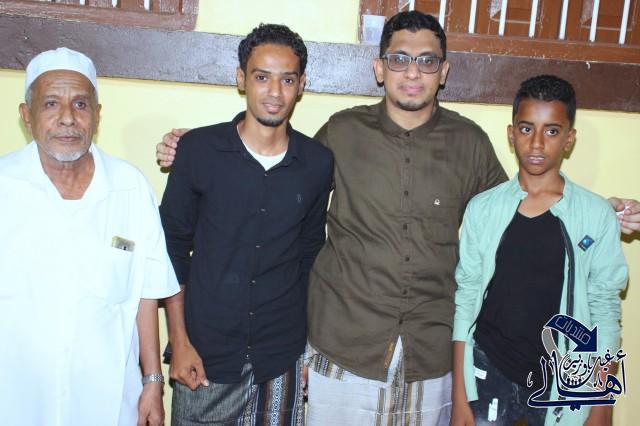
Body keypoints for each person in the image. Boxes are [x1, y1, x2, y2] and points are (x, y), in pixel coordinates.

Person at [155, 12, 639, 425]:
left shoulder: (469, 143)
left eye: (426, 61)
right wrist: (195, 148)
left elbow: (516, 204)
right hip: (343, 350)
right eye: (399, 59)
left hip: (432, 357)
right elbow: (279, 169)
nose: (412, 72)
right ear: (379, 68)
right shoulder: (341, 133)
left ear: (443, 71)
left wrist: (596, 211)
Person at [159, 24, 333, 425]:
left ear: (301, 85)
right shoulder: (199, 151)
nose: (275, 92)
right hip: (205, 356)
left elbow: (311, 256)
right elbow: (171, 250)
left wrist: (309, 350)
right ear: (241, 79)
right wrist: (179, 342)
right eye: (262, 77)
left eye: (287, 79)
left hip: (282, 357)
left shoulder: (316, 162)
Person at [0, 47, 179, 426]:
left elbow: (146, 293)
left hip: (109, 400)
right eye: (51, 104)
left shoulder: (130, 188)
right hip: (15, 399)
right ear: (26, 116)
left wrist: (152, 382)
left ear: (97, 115)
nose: (68, 118)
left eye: (80, 104)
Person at [451, 75, 628, 426]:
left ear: (569, 139)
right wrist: (460, 396)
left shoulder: (595, 215)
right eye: (526, 128)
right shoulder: (483, 209)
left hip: (563, 378)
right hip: (489, 369)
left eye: (551, 131)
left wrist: (601, 403)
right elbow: (466, 298)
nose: (536, 143)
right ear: (511, 133)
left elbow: (605, 311)